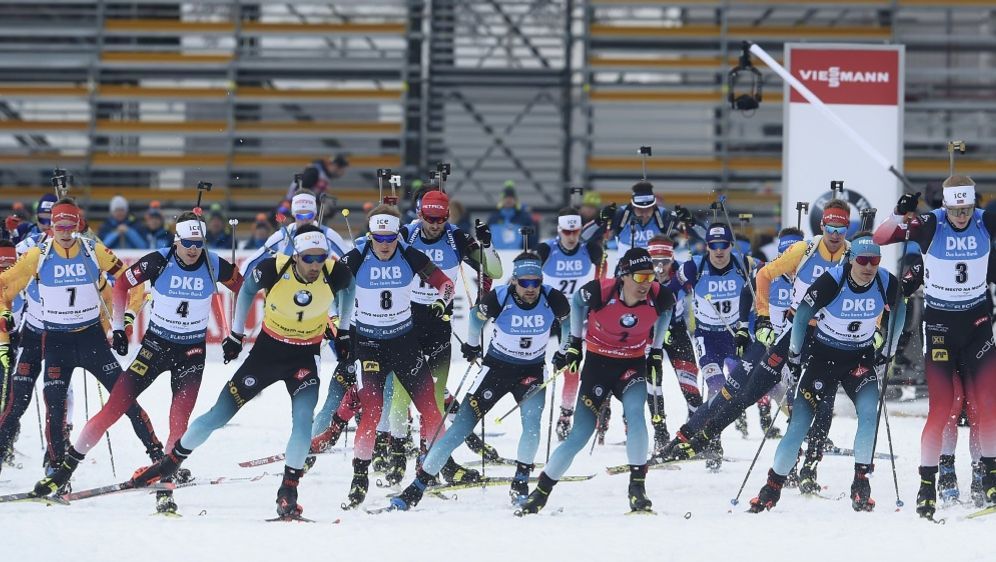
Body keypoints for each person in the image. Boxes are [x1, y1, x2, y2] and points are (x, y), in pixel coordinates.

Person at [130, 224, 355, 520]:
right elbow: (247, 288)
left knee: (302, 423)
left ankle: (288, 492)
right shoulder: (273, 268)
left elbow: (350, 289)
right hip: (266, 353)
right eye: (309, 258)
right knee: (218, 414)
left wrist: (344, 331)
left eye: (320, 257)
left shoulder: (335, 272)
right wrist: (236, 334)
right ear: (296, 255)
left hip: (304, 358)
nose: (315, 265)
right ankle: (168, 465)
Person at [31, 212, 244, 513]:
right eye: (187, 243)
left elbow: (244, 289)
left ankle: (165, 487)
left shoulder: (214, 264)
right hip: (155, 347)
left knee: (178, 422)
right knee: (113, 409)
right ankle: (63, 472)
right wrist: (119, 327)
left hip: (192, 353)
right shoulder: (158, 260)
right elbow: (121, 285)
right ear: (176, 240)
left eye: (198, 243)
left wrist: (235, 334)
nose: (193, 249)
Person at [662, 199, 854, 490]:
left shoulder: (813, 272)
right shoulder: (771, 273)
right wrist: (748, 326)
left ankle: (799, 465)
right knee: (728, 394)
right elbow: (748, 296)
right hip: (765, 347)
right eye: (784, 252)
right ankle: (686, 437)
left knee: (797, 404)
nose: (788, 257)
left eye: (792, 251)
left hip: (798, 348)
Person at [0, 198, 162, 494]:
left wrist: (124, 321)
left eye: (70, 224)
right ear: (51, 224)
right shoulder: (38, 254)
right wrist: (5, 314)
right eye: (58, 224)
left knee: (125, 398)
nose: (64, 230)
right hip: (56, 341)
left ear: (78, 224)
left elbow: (131, 282)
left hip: (91, 340)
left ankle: (158, 456)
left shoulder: (92, 249)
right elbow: (4, 286)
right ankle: (56, 470)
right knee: (55, 406)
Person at [389, 251, 572, 510]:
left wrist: (565, 350)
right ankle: (416, 487)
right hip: (495, 369)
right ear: (514, 281)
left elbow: (567, 323)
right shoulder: (500, 297)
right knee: (458, 429)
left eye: (536, 283)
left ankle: (520, 483)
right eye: (525, 283)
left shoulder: (553, 297)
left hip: (531, 371)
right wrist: (473, 346)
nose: (531, 289)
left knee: (532, 426)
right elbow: (475, 319)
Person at [749, 234, 904, 513]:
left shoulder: (884, 280)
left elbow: (900, 307)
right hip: (824, 358)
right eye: (863, 260)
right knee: (799, 425)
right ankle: (771, 488)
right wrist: (795, 354)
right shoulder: (833, 280)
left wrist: (889, 346)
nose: (869, 267)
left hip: (859, 359)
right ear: (851, 259)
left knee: (870, 414)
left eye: (875, 261)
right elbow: (801, 314)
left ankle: (861, 484)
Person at [873, 177, 996, 517]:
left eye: (966, 210)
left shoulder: (985, 221)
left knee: (985, 406)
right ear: (946, 206)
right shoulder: (931, 223)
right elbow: (881, 237)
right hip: (940, 326)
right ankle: (929, 483)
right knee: (945, 407)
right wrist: (899, 214)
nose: (961, 217)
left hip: (977, 325)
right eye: (955, 210)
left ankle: (988, 476)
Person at [518, 248, 675, 515]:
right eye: (639, 277)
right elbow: (577, 304)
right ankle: (541, 493)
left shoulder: (660, 296)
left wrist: (657, 350)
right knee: (580, 435)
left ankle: (637, 488)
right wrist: (575, 343)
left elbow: (667, 312)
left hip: (631, 364)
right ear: (624, 276)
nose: (646, 283)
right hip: (598, 366)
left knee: (636, 415)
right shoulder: (601, 291)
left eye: (650, 276)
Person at [370, 189, 503, 485]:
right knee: (402, 395)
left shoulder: (456, 238)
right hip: (406, 320)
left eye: (441, 218)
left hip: (439, 322)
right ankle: (397, 453)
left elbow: (494, 269)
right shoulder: (406, 235)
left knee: (435, 397)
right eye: (430, 218)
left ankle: (429, 459)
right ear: (419, 214)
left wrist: (487, 244)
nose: (435, 224)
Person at [337, 204, 462, 509]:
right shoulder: (358, 255)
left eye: (390, 237)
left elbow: (445, 284)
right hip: (370, 345)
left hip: (405, 341)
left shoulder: (409, 253)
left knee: (431, 410)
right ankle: (359, 476)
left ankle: (430, 470)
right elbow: (328, 285)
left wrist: (443, 303)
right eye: (379, 238)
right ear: (371, 234)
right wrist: (338, 326)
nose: (384, 244)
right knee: (372, 412)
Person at [674, 223, 761, 469]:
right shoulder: (694, 266)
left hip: (735, 336)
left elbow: (770, 274)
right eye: (714, 246)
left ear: (730, 246)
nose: (719, 251)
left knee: (743, 386)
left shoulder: (744, 263)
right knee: (716, 386)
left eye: (724, 245)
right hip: (707, 337)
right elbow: (671, 289)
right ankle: (712, 442)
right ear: (707, 246)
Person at [535, 208, 603, 441]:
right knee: (536, 361)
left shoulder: (591, 250)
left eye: (575, 231)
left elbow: (601, 280)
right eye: (567, 231)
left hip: (576, 316)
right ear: (559, 230)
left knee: (571, 365)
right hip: (549, 313)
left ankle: (565, 414)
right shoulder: (546, 249)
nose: (571, 237)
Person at [644, 235, 701, 453]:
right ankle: (660, 433)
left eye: (664, 262)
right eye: (654, 262)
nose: (659, 268)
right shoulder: (641, 274)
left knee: (690, 385)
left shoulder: (681, 274)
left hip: (676, 331)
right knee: (653, 384)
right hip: (649, 333)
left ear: (672, 259)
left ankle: (696, 433)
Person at [486, 182, 538, 250]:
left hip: (518, 255)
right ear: (502, 200)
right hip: (497, 256)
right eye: (506, 198)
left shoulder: (524, 218)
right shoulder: (493, 218)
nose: (508, 200)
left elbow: (532, 240)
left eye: (511, 198)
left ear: (515, 200)